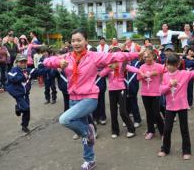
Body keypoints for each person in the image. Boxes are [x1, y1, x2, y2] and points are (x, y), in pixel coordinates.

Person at [43, 28, 141, 170]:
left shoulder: (94, 56)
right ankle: (90, 160)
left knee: (64, 119)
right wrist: (58, 63)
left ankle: (88, 131)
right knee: (85, 137)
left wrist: (137, 54)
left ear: (86, 41)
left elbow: (116, 56)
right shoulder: (68, 57)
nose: (75, 43)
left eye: (79, 40)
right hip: (73, 98)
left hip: (89, 98)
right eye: (73, 40)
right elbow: (46, 61)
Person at [158, 53, 194, 160]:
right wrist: (170, 85)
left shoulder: (184, 74)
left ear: (178, 64)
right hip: (170, 107)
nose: (170, 67)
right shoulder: (165, 75)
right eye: (168, 64)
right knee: (166, 129)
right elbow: (161, 91)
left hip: (182, 106)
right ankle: (164, 149)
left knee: (184, 129)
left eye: (172, 64)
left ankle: (186, 150)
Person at [99, 46, 136, 139]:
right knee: (113, 111)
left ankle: (131, 129)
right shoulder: (109, 65)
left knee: (123, 111)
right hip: (112, 90)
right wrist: (109, 68)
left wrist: (142, 72)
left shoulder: (122, 64)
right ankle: (115, 131)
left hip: (121, 89)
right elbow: (101, 74)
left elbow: (131, 68)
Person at [6, 54, 45, 133]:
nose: (23, 64)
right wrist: (23, 76)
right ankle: (19, 107)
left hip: (26, 94)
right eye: (21, 62)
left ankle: (24, 125)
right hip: (18, 95)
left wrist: (50, 67)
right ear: (17, 62)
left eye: (24, 62)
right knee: (26, 108)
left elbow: (37, 72)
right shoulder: (13, 70)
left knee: (27, 110)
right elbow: (13, 79)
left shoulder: (27, 70)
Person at [137, 47, 165, 140]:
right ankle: (150, 131)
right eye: (144, 57)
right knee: (148, 113)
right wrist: (143, 75)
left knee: (156, 113)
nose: (146, 59)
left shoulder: (159, 66)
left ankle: (163, 132)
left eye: (148, 57)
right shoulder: (142, 67)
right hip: (145, 93)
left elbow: (167, 74)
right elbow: (138, 78)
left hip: (156, 93)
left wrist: (156, 74)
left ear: (153, 56)